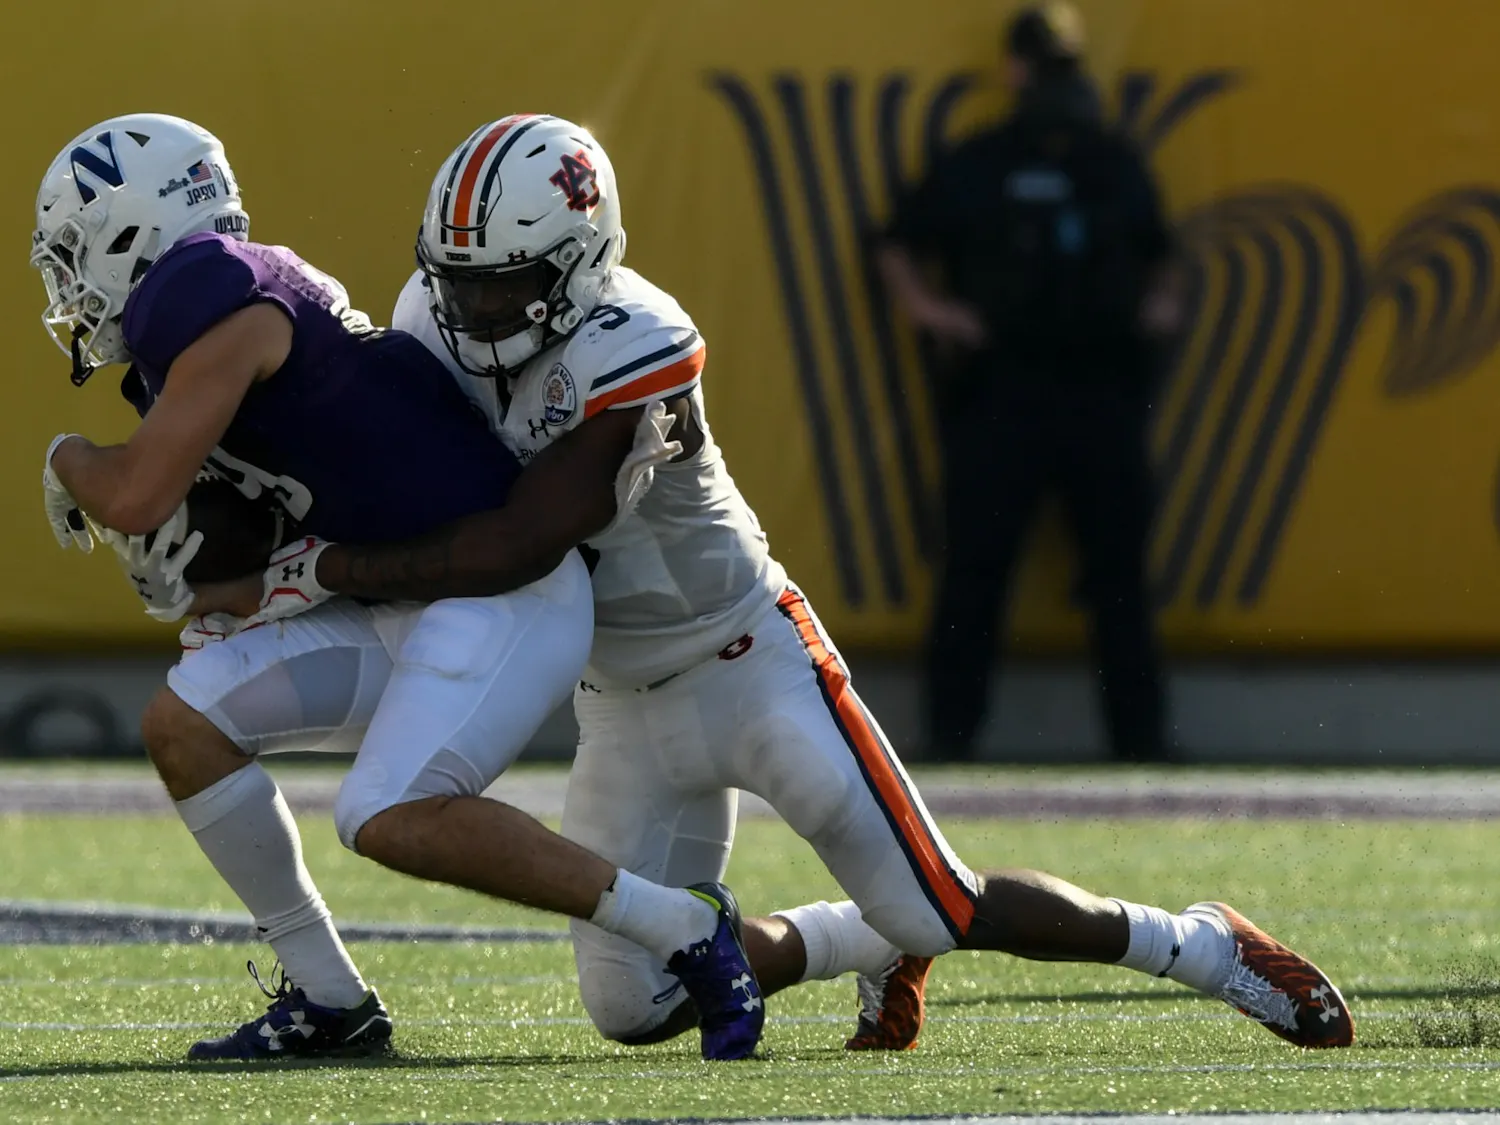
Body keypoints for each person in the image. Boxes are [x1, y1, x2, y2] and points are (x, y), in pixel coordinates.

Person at [204, 113, 1353, 1053]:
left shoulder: (637, 342)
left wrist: (327, 570)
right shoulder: (432, 320)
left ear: (579, 263)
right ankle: (860, 940)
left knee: (943, 904)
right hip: (618, 699)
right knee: (634, 1008)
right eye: (461, 281)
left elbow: (520, 545)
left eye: (506, 287)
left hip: (749, 662)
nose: (474, 311)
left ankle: (1199, 944)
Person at [32, 113, 763, 1063]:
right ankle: (332, 999)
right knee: (185, 723)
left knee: (382, 812)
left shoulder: (209, 293)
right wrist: (225, 578)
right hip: (406, 598)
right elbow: (259, 537)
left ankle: (684, 927)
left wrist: (64, 459)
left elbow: (132, 493)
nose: (71, 286)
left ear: (130, 233)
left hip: (507, 599)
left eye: (75, 254)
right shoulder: (221, 314)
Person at [878, 1, 1180, 764]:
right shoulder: (982, 162)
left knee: (1119, 575)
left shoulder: (1111, 163)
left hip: (1101, 386)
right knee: (976, 567)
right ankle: (949, 739)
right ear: (1014, 71)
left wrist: (1156, 310)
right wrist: (934, 312)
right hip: (1002, 390)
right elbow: (896, 243)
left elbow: (1162, 254)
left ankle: (1139, 744)